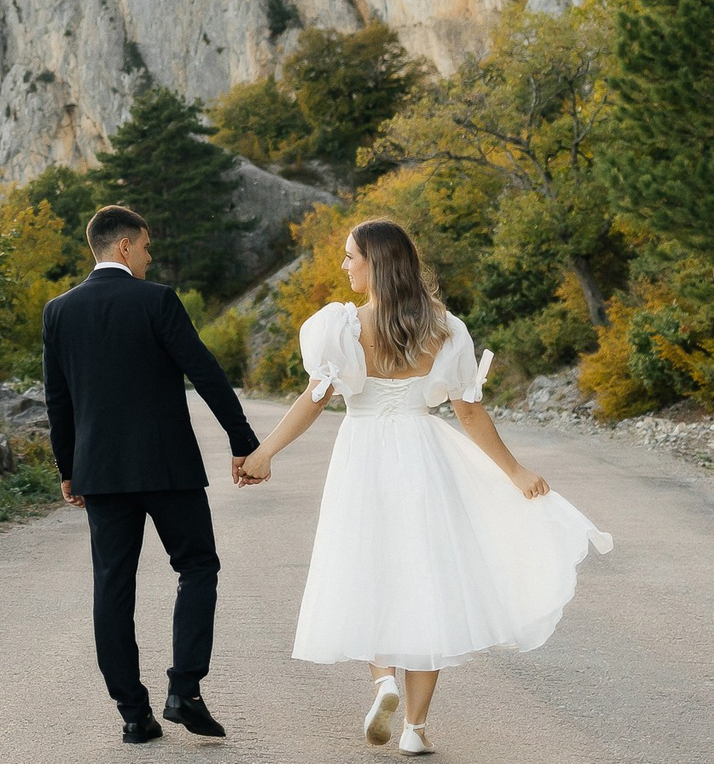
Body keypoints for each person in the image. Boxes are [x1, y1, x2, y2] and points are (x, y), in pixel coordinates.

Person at [237, 218, 611, 756]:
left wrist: (265, 452)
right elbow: (469, 410)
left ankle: (382, 680)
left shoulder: (342, 328)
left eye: (350, 257)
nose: (345, 266)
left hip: (362, 454)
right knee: (427, 577)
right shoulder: (444, 328)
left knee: (370, 567)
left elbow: (314, 400)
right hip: (421, 454)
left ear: (375, 263)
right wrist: (514, 471)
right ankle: (414, 728)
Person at [42, 203, 262, 745]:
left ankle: (133, 715)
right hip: (168, 467)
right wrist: (244, 441)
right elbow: (204, 371)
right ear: (123, 246)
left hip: (100, 472)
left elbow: (58, 399)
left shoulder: (59, 311)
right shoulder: (156, 299)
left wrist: (68, 469)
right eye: (144, 246)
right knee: (197, 565)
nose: (148, 255)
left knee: (112, 586)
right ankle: (184, 689)